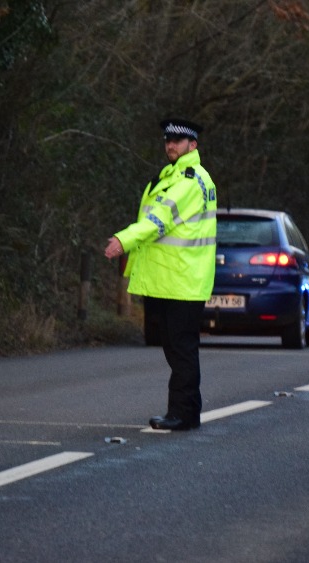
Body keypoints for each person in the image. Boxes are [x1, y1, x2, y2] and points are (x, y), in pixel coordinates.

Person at [104, 118, 217, 431]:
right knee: (178, 348)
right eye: (168, 140)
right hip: (174, 279)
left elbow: (158, 221)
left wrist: (123, 240)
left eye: (178, 141)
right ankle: (188, 412)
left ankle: (181, 413)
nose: (170, 145)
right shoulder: (176, 176)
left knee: (180, 349)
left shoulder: (188, 181)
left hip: (180, 280)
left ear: (193, 145)